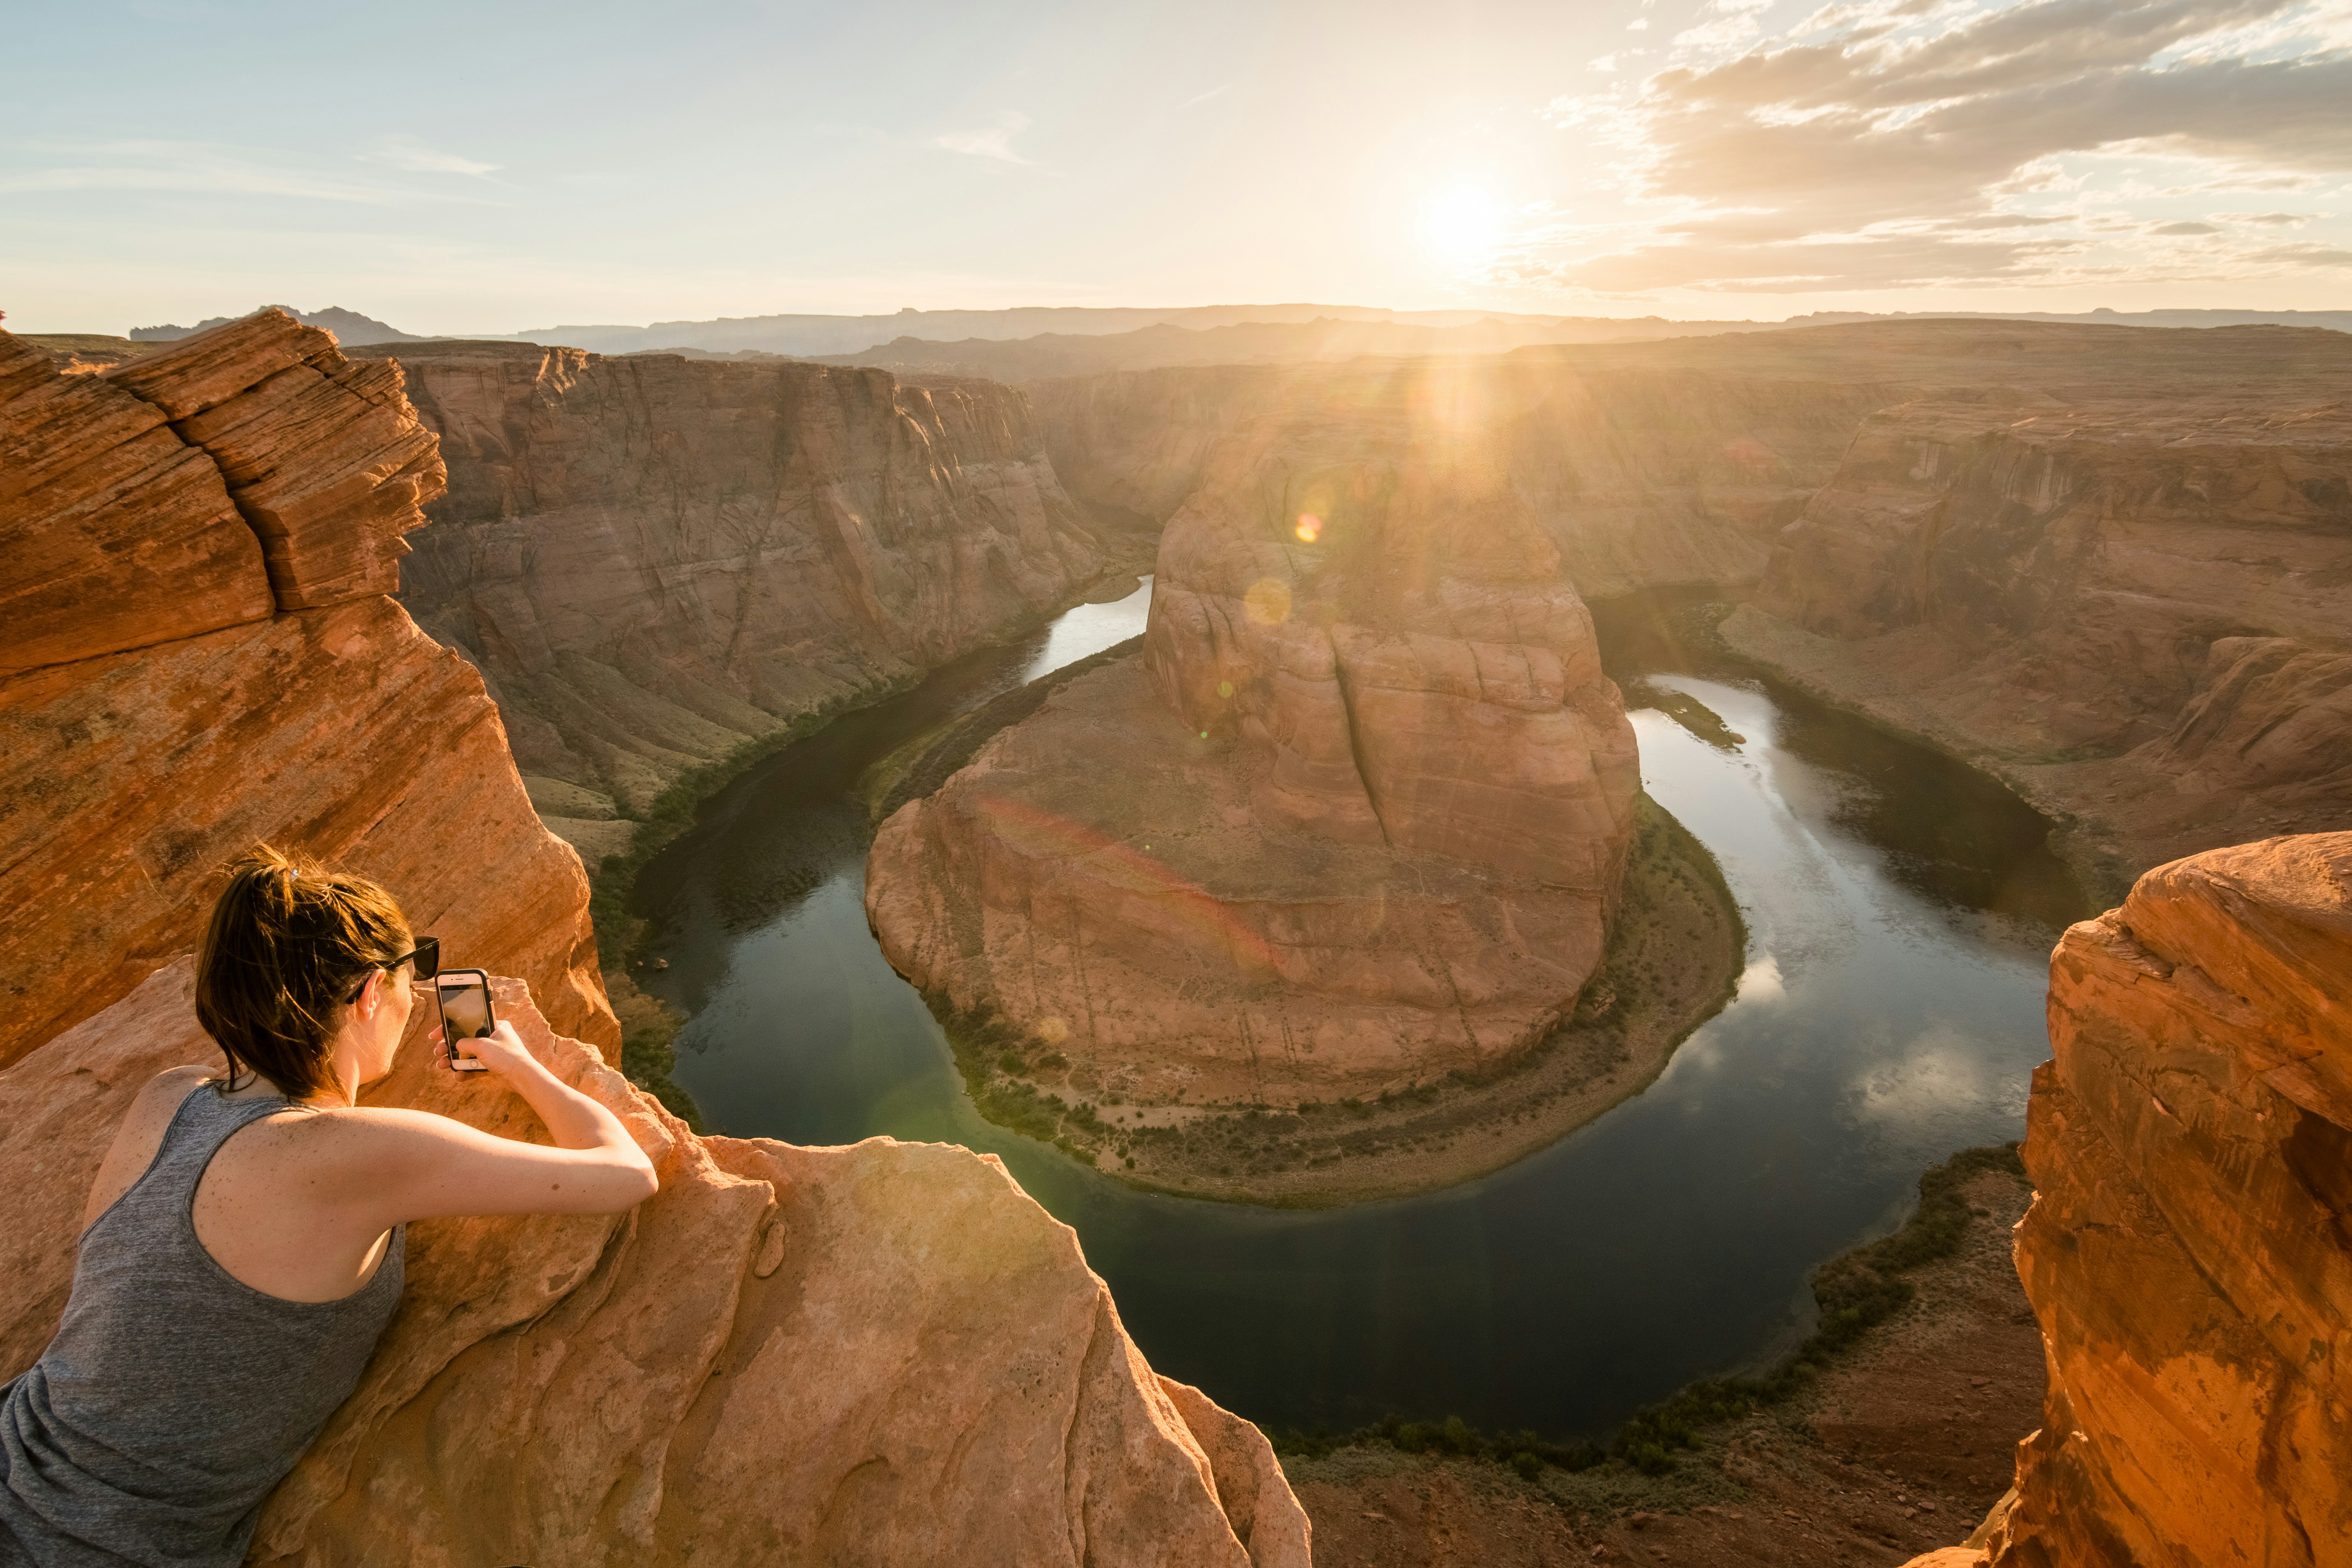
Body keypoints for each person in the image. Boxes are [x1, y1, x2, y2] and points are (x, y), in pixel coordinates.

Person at [0, 847, 658, 1568]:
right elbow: (625, 1173)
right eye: (418, 970)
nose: (417, 997)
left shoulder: (171, 1095)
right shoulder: (360, 1153)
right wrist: (526, 1068)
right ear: (372, 991)